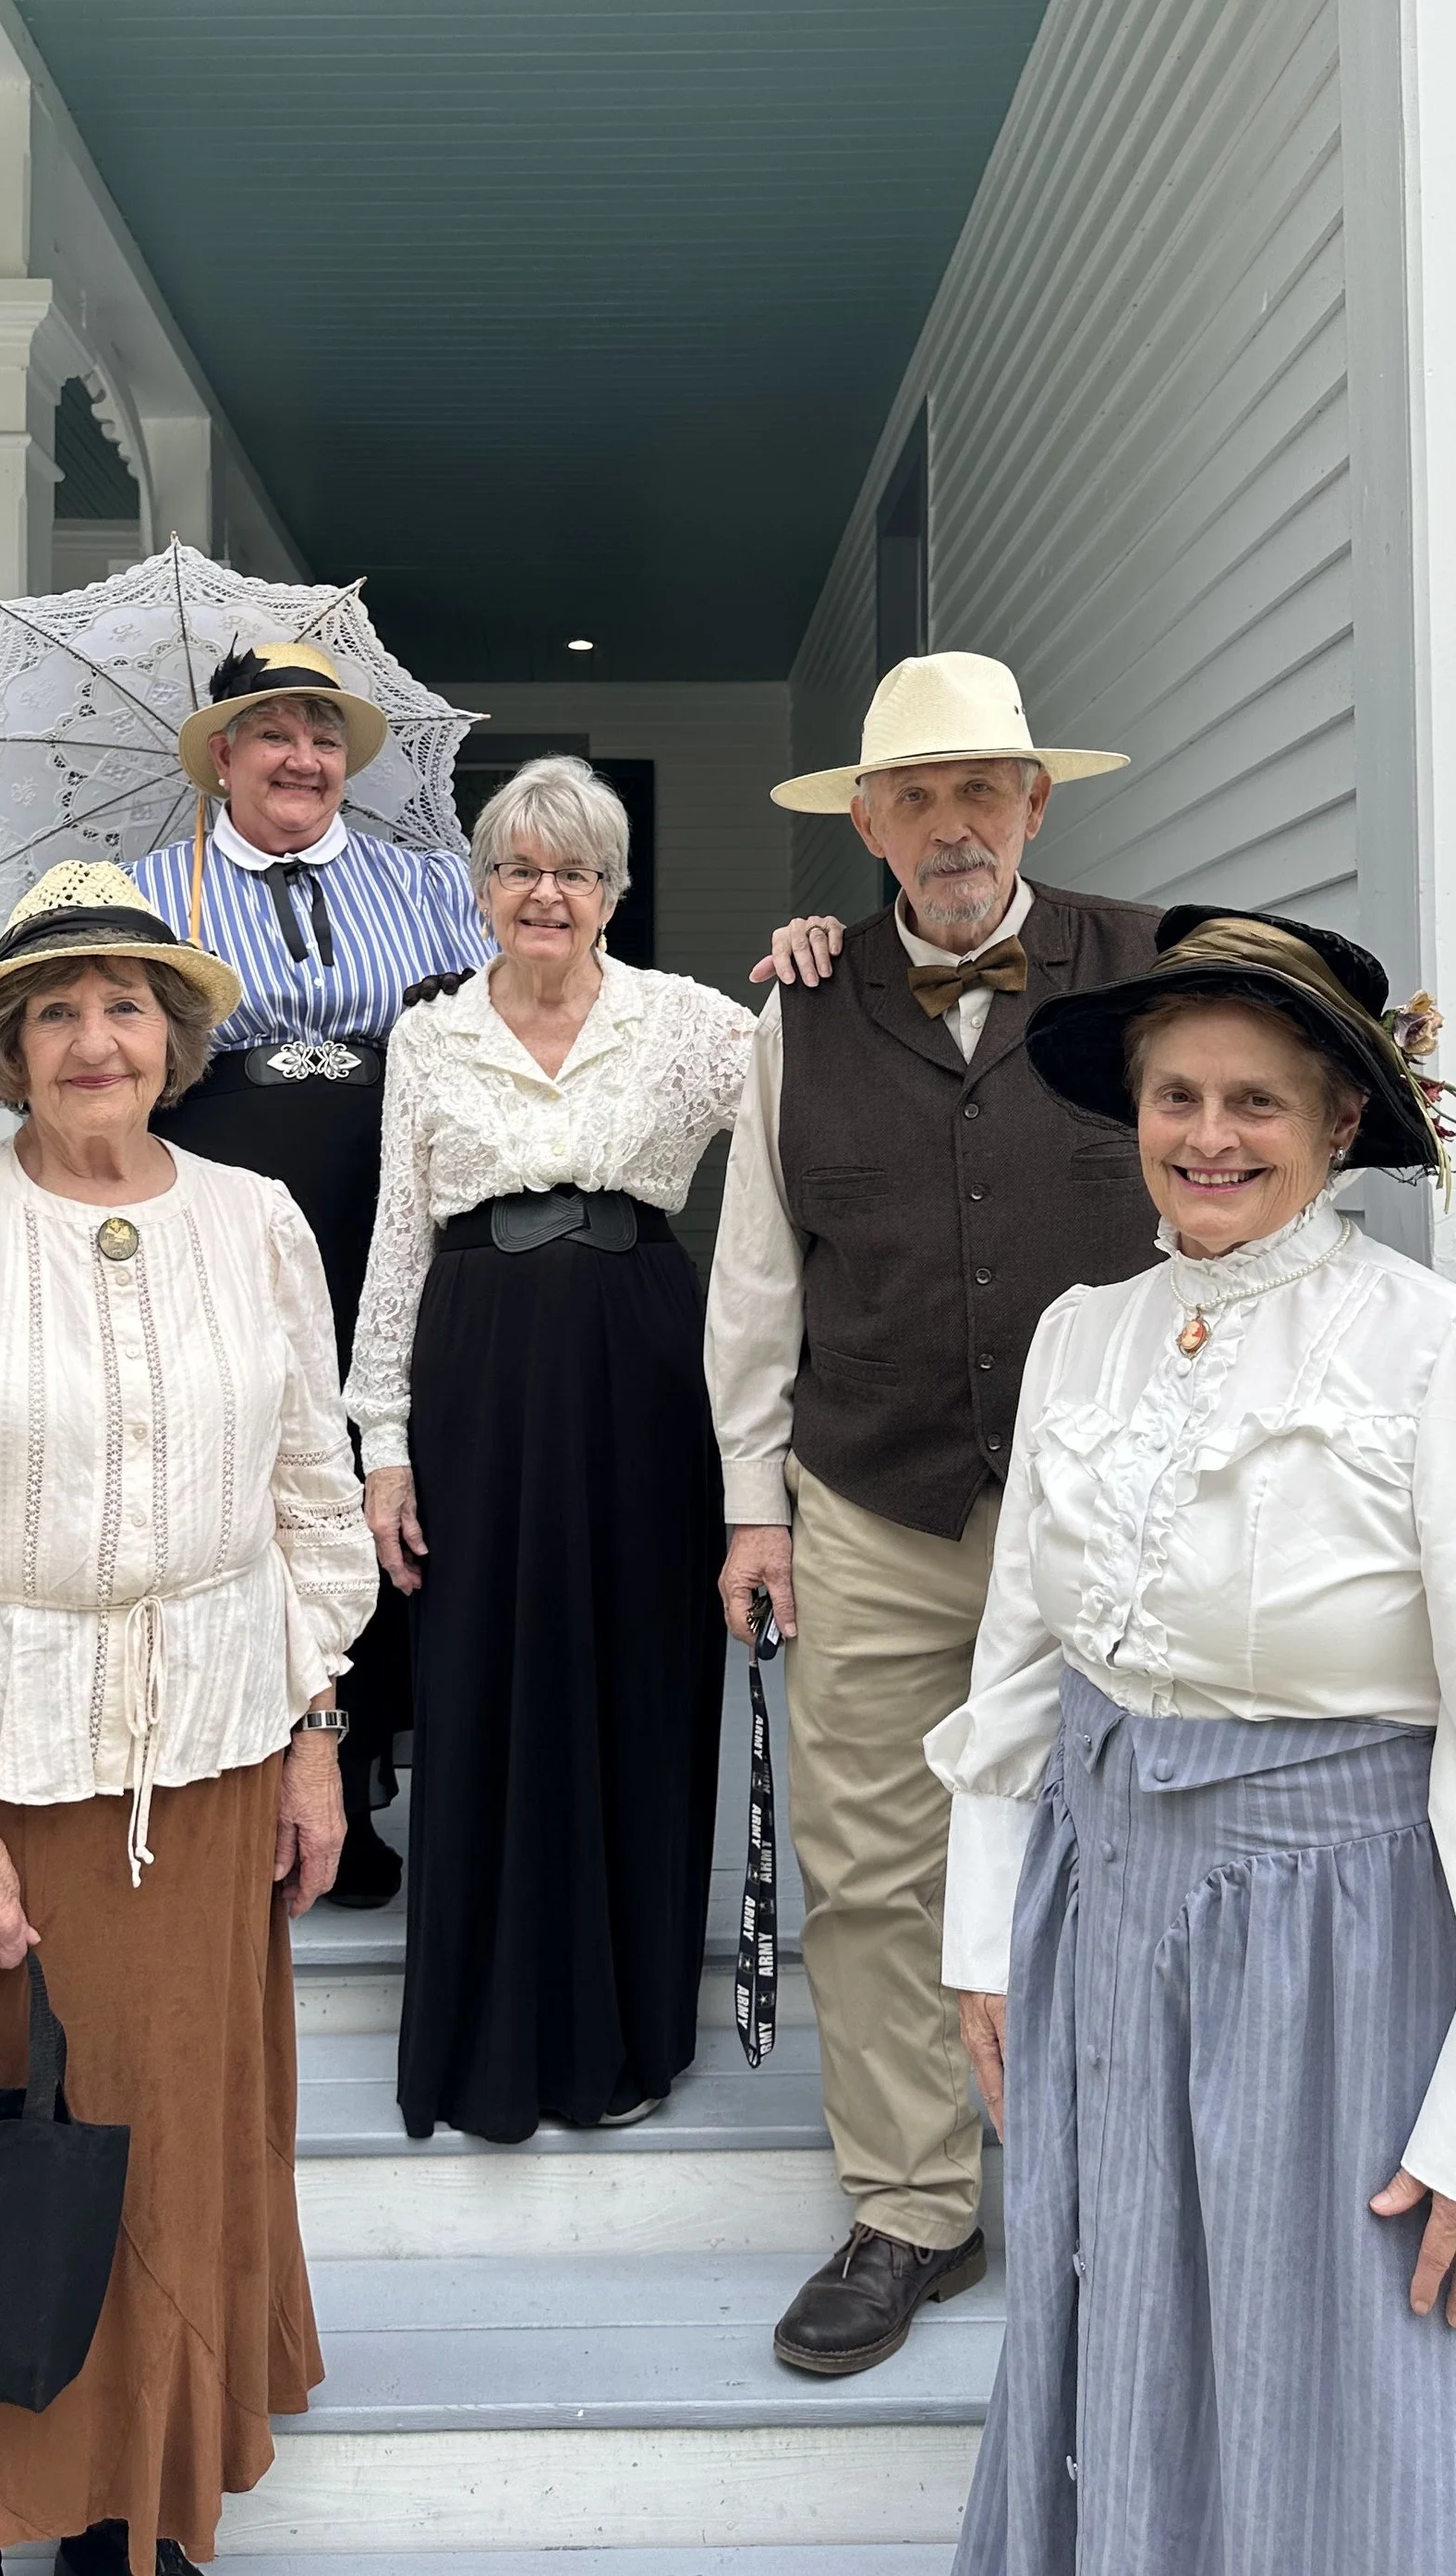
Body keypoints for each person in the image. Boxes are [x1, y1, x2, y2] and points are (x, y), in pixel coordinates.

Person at [931, 908, 1456, 2575]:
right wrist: (990, 1933)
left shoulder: (1448, 1358)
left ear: (1342, 1125)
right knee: (1146, 2375)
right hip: (1113, 1932)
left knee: (1368, 2408)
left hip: (1359, 1963)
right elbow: (1025, 1664)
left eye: (1255, 1102)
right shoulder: (1082, 1337)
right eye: (1175, 1096)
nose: (1206, 1137)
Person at [0, 860, 379, 2576]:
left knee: (170, 2130)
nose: (96, 1038)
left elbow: (310, 1504)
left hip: (206, 1760)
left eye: (128, 1004)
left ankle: (138, 2502)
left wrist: (315, 1733)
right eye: (56, 1010)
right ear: (6, 1050)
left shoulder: (258, 1220)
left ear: (178, 1037)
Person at [704, 650, 1160, 2376]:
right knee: (875, 1863)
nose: (956, 823)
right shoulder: (799, 1013)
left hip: (1117, 1504)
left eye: (987, 788)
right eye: (919, 794)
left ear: (1036, 804)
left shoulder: (1154, 970)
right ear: (870, 827)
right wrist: (756, 1509)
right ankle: (913, 2209)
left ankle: (1119, 2189)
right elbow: (756, 1283)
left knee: (1127, 1848)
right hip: (874, 1493)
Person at [344, 757, 756, 2140]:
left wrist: (822, 958)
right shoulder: (430, 1037)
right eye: (519, 866)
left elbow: (804, 1151)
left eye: (575, 870)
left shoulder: (694, 1027)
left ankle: (626, 2039)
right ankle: (486, 2041)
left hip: (643, 1372)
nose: (546, 892)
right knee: (482, 1681)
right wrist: (383, 1445)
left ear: (615, 893)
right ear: (481, 887)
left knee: (638, 1680)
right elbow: (398, 1240)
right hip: (474, 1377)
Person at [127, 639, 490, 1907]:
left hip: (396, 1238)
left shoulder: (435, 886)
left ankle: (367, 1779)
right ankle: (238, 1771)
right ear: (220, 757)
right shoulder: (141, 888)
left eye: (324, 737)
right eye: (272, 734)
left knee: (385, 1491)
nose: (303, 758)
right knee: (240, 1492)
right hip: (211, 1246)